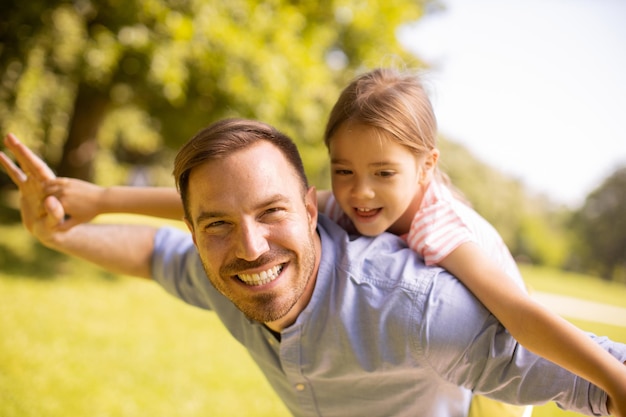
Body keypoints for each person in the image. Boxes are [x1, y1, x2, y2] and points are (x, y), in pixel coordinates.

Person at [31, 69, 626, 415]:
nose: (252, 246)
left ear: (426, 167)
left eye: (384, 173)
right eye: (345, 171)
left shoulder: (433, 267)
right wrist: (85, 212)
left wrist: (616, 383)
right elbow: (193, 224)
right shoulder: (326, 212)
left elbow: (522, 320)